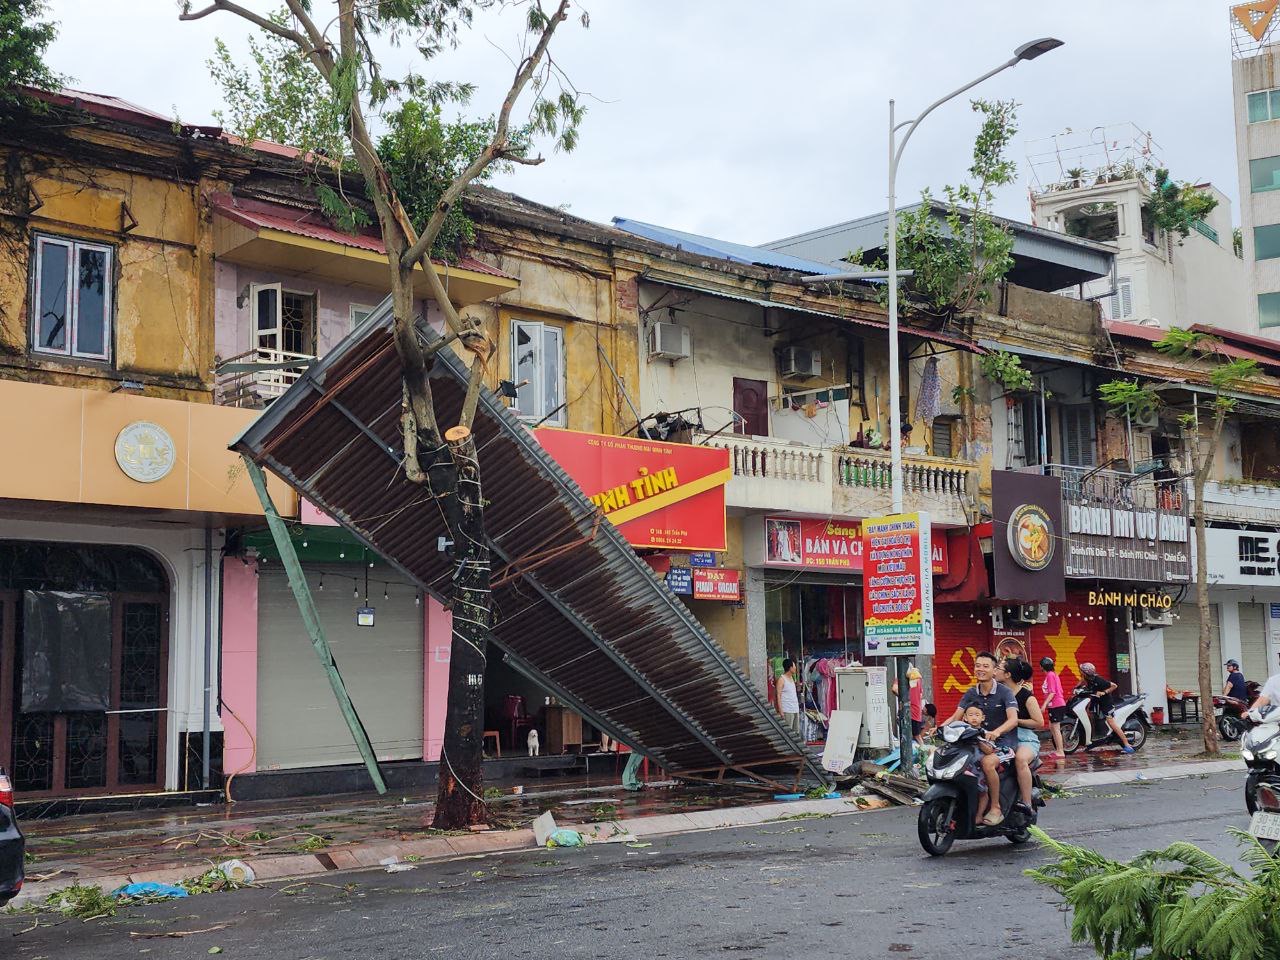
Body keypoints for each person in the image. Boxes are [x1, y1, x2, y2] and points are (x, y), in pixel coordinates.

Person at [943, 651, 1018, 825]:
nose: (981, 669)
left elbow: (1013, 719)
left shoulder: (1005, 692)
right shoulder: (970, 693)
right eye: (978, 665)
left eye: (986, 666)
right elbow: (956, 717)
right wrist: (940, 729)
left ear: (994, 671)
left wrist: (997, 732)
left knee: (987, 763)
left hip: (1002, 745)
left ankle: (995, 807)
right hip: (976, 742)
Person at [1002, 658, 1044, 811]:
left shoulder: (1027, 696)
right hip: (1002, 736)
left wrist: (1015, 720)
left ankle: (1026, 804)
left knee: (1020, 759)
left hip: (1025, 738)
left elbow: (1039, 722)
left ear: (1008, 674)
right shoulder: (996, 692)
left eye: (999, 667)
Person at [1079, 662, 1133, 753]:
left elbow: (1114, 685)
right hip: (1096, 702)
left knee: (1111, 722)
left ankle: (1127, 745)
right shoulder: (1087, 678)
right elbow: (1081, 683)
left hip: (1106, 703)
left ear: (1085, 673)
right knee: (1090, 714)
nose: (1080, 672)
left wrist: (1104, 692)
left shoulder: (1099, 680)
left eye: (1081, 671)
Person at [1039, 656, 1068, 758]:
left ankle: (1060, 751)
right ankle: (1058, 750)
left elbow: (1052, 692)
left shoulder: (1050, 675)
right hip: (1055, 705)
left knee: (1055, 728)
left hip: (1056, 704)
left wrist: (1044, 705)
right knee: (1052, 727)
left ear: (1043, 666)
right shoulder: (1052, 675)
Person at [891, 666, 926, 743]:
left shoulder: (901, 676)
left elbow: (894, 689)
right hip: (917, 711)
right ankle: (922, 752)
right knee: (917, 736)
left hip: (908, 711)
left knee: (907, 736)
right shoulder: (918, 678)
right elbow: (921, 694)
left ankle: (923, 753)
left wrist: (904, 699)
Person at [776, 658, 801, 735]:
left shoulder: (792, 678)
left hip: (795, 709)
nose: (795, 668)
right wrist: (781, 711)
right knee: (788, 733)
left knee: (796, 732)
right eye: (794, 666)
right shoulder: (781, 679)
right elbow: (778, 695)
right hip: (787, 710)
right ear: (790, 668)